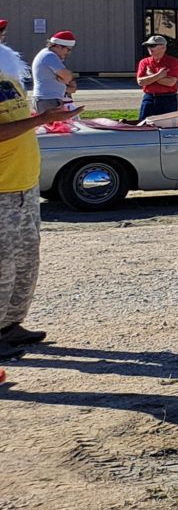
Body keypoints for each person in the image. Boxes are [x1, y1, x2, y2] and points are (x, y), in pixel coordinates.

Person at [0, 36, 71, 356]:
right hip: (2, 190)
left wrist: (48, 117)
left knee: (26, 262)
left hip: (23, 185)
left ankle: (10, 326)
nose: (2, 41)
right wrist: (42, 119)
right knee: (2, 264)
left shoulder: (9, 79)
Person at [32, 30, 78, 114]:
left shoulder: (48, 55)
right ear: (59, 46)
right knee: (53, 126)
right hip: (48, 101)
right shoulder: (49, 56)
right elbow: (66, 75)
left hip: (49, 99)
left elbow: (68, 80)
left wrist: (67, 83)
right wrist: (68, 81)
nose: (68, 53)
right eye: (68, 49)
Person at [136, 34, 178, 118]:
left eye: (152, 46)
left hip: (168, 99)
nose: (149, 48)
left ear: (163, 47)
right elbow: (141, 82)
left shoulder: (173, 62)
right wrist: (159, 75)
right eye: (148, 46)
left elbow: (170, 82)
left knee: (167, 126)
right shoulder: (144, 62)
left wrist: (151, 76)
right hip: (149, 98)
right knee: (144, 125)